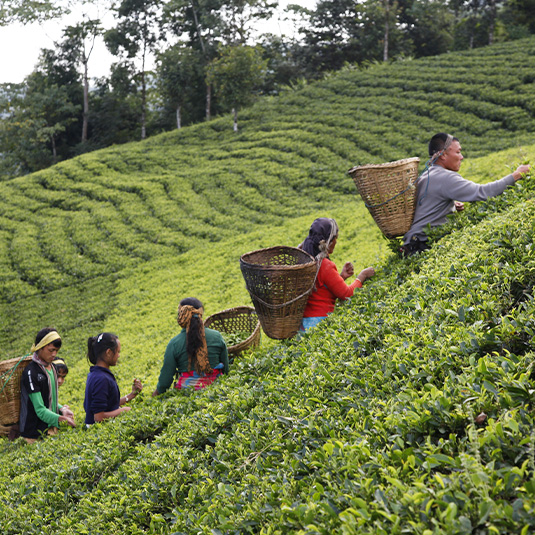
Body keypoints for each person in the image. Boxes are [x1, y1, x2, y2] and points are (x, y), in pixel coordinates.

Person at [402, 132, 531, 255]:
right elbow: (482, 192)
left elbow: (429, 205)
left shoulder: (427, 174)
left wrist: (449, 206)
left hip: (412, 242)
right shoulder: (445, 177)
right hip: (421, 245)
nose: (462, 156)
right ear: (443, 155)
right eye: (458, 152)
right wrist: (515, 175)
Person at [299, 218, 375, 331]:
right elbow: (346, 294)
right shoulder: (324, 265)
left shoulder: (305, 261)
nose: (336, 242)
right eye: (336, 238)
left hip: (303, 326)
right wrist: (362, 276)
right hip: (320, 324)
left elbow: (321, 291)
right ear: (329, 241)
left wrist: (341, 277)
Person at [152, 297, 229, 396]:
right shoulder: (216, 336)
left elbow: (165, 381)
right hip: (216, 390)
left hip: (188, 394)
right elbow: (226, 369)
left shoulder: (174, 343)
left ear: (182, 315)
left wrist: (155, 395)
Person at [19, 327, 76, 443]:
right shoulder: (31, 372)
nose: (54, 354)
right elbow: (40, 409)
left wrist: (62, 409)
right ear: (40, 347)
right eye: (51, 350)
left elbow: (48, 398)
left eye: (56, 350)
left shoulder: (52, 368)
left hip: (50, 430)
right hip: (34, 435)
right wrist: (60, 419)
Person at [84, 332, 143, 425]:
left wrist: (131, 395)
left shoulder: (97, 374)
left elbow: (109, 405)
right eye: (118, 352)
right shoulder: (101, 379)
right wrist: (123, 411)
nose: (119, 355)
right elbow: (98, 417)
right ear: (109, 352)